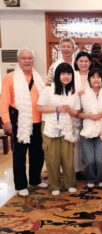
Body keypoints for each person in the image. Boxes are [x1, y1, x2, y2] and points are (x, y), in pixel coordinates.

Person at [0, 48, 47, 196]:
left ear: (33, 60)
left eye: (30, 58)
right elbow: (4, 102)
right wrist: (6, 121)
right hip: (19, 121)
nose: (27, 61)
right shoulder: (10, 77)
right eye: (24, 58)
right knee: (19, 155)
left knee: (38, 153)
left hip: (38, 121)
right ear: (18, 60)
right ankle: (20, 185)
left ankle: (35, 179)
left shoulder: (38, 77)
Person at [38, 63, 80, 196]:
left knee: (68, 157)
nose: (66, 76)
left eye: (69, 74)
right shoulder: (48, 89)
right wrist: (56, 108)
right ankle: (54, 185)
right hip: (50, 126)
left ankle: (70, 183)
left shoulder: (73, 92)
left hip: (66, 126)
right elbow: (40, 107)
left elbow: (77, 112)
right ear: (57, 75)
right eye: (63, 73)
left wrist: (70, 110)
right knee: (52, 157)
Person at [79, 68, 102, 188]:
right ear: (89, 80)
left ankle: (100, 178)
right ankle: (91, 179)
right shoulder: (82, 94)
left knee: (100, 159)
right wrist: (88, 116)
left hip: (101, 131)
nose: (96, 79)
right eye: (93, 77)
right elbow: (78, 113)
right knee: (89, 160)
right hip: (87, 131)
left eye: (98, 77)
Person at [73, 51, 93, 180]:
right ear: (76, 62)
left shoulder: (94, 75)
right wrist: (77, 94)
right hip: (74, 113)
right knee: (76, 142)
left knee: (88, 141)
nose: (84, 63)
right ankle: (76, 169)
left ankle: (88, 168)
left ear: (90, 63)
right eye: (81, 61)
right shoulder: (72, 75)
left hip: (90, 114)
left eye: (86, 61)